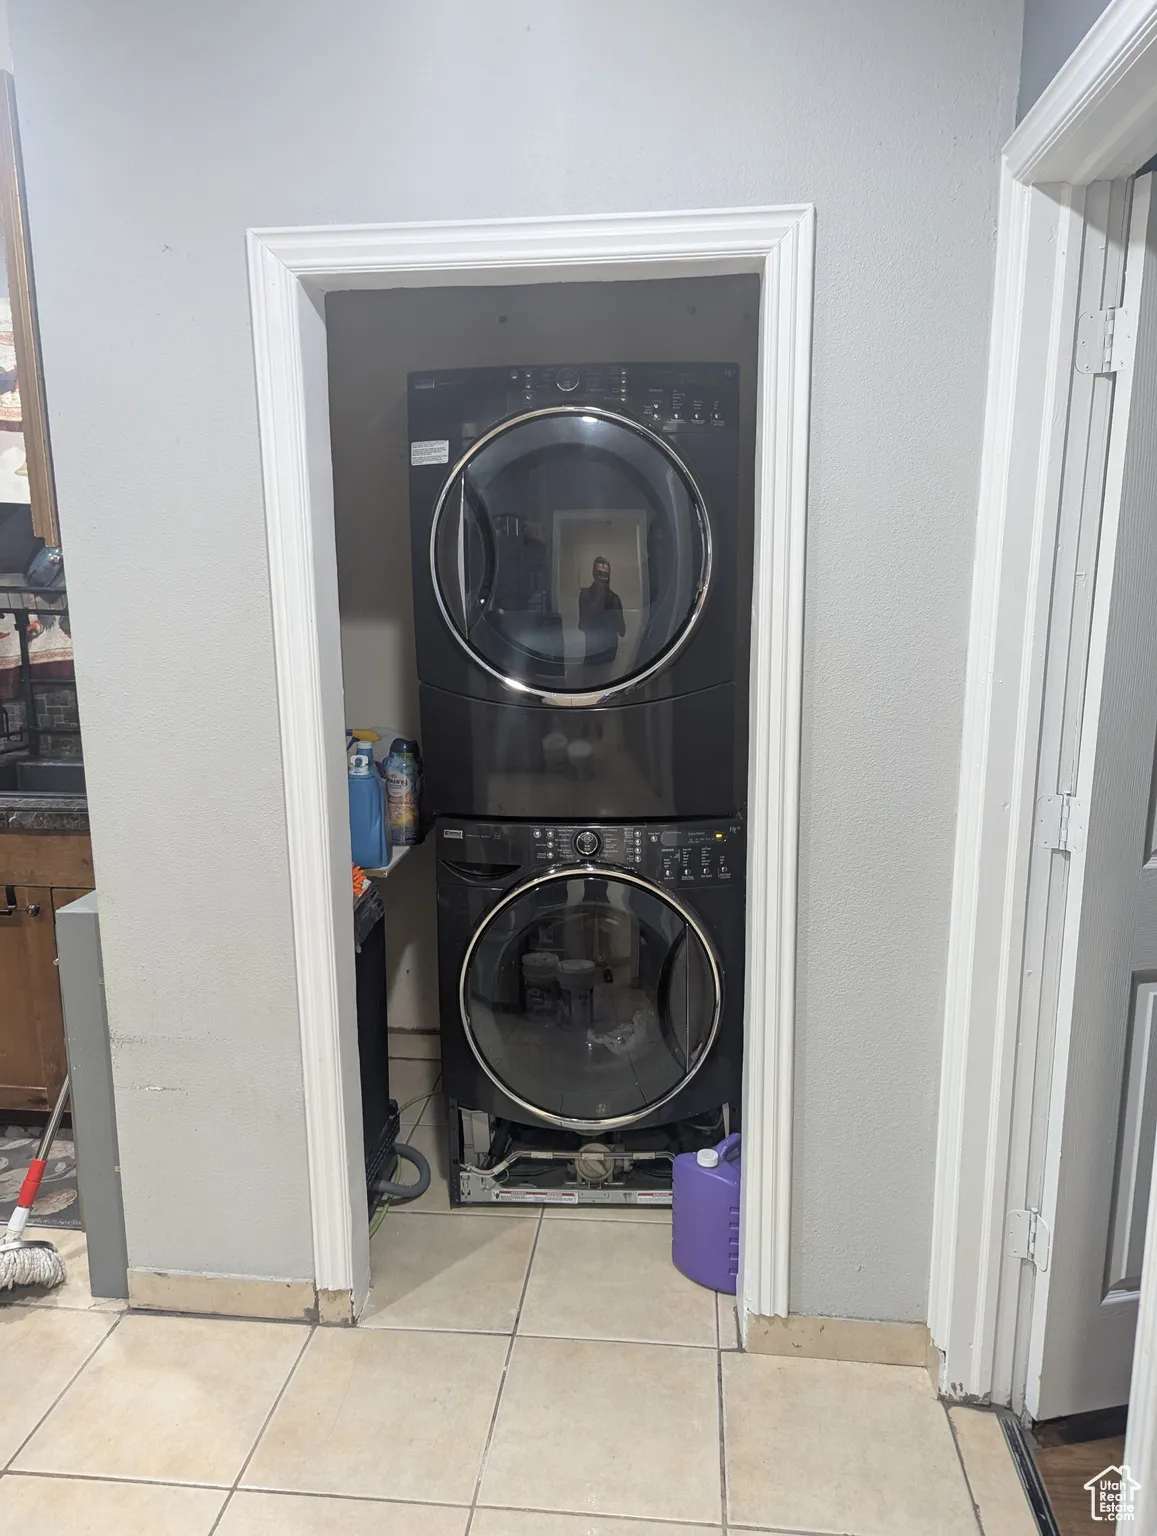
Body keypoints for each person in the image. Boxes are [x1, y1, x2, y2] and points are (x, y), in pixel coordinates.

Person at [577, 556, 626, 667]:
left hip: (611, 658)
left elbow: (622, 632)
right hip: (591, 659)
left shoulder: (614, 597)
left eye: (605, 575)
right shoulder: (586, 594)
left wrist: (614, 607)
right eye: (599, 574)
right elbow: (582, 625)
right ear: (594, 574)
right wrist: (599, 595)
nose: (603, 578)